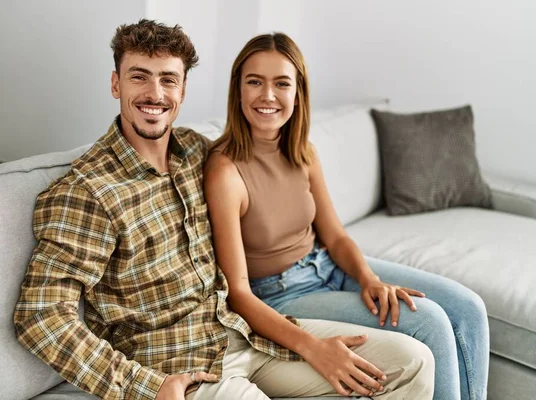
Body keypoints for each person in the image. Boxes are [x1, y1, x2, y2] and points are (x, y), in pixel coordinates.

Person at [14, 20, 434, 400]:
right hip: (181, 367)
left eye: (168, 80)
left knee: (411, 361)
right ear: (115, 83)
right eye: (139, 77)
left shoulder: (197, 152)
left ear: (183, 90)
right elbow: (41, 316)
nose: (155, 94)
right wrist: (143, 387)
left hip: (244, 337)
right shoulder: (87, 191)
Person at [204, 32, 489, 400]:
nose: (268, 96)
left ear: (298, 92)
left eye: (281, 83)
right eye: (254, 82)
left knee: (468, 308)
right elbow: (239, 294)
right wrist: (310, 346)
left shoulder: (303, 151)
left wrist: (368, 278)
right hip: (280, 296)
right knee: (430, 324)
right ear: (238, 89)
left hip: (328, 266)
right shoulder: (225, 171)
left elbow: (335, 236)